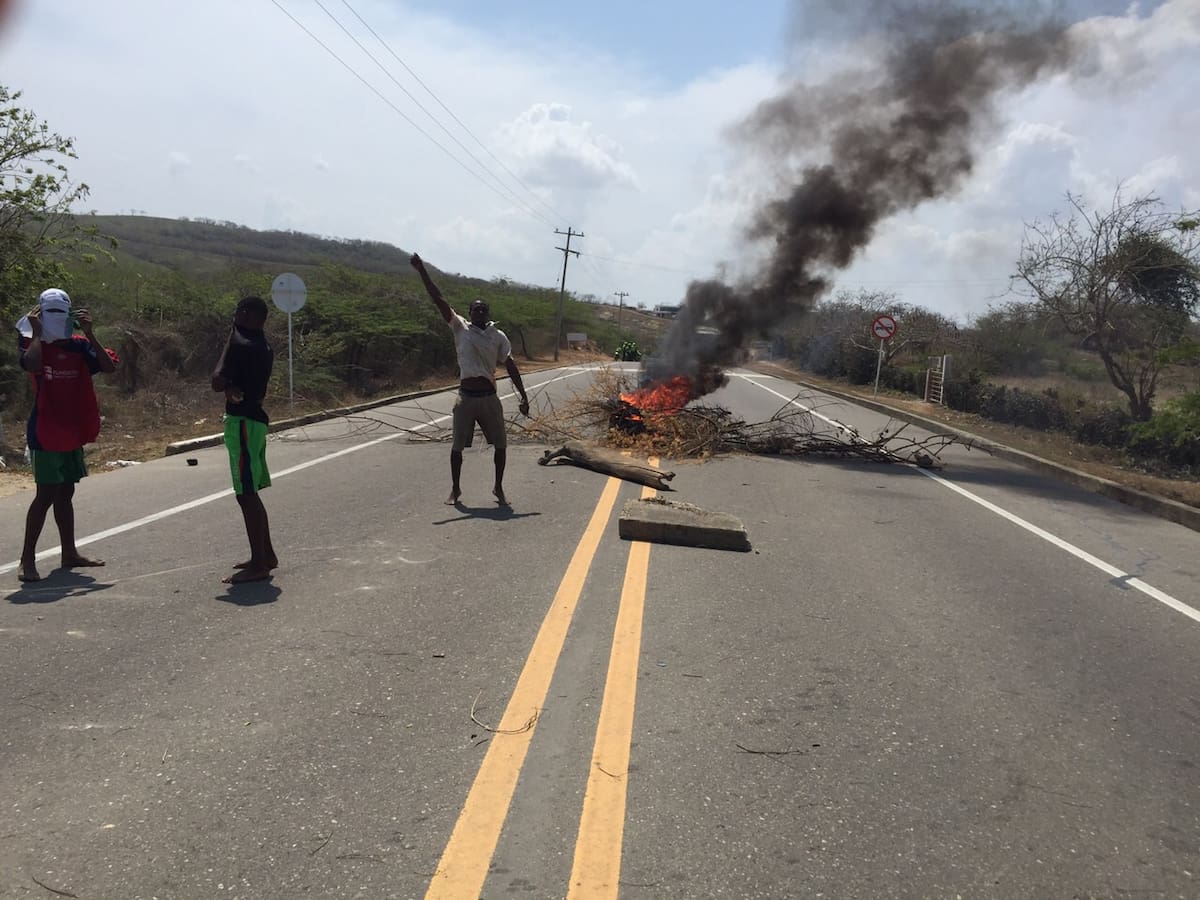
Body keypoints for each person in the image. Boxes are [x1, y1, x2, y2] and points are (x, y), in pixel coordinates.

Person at [410, 253, 530, 506]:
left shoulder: (498, 336)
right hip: (465, 398)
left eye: (483, 309)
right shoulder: (459, 327)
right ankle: (455, 489)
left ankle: (498, 487)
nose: (479, 312)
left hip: (489, 398)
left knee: (500, 445)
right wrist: (421, 270)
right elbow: (438, 298)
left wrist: (523, 396)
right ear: (469, 312)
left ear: (488, 313)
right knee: (456, 448)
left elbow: (510, 365)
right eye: (475, 309)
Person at [16, 288, 118, 583]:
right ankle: (26, 560)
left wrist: (90, 333)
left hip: (72, 427)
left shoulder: (78, 346)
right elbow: (32, 364)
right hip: (45, 430)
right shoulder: (29, 342)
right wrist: (36, 333)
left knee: (66, 492)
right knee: (45, 494)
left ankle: (69, 552)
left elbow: (109, 367)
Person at [211, 296, 277, 583]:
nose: (235, 315)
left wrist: (226, 384)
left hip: (243, 423)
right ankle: (266, 555)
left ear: (249, 315)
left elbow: (216, 380)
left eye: (239, 311)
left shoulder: (240, 344)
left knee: (246, 493)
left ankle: (259, 564)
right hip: (255, 420)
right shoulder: (262, 344)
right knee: (250, 492)